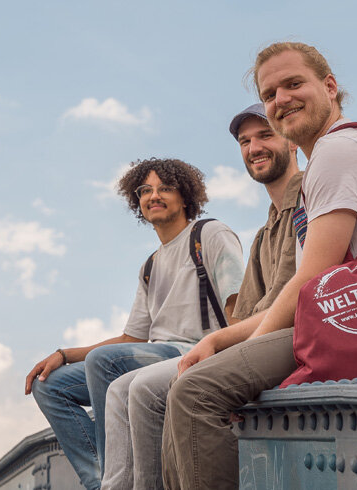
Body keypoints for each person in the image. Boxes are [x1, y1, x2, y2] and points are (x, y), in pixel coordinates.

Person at [160, 42, 357, 490]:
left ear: (329, 87)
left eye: (294, 84)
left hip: (356, 327)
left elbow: (312, 281)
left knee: (194, 392)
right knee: (190, 382)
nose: (281, 100)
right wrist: (219, 337)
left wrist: (232, 345)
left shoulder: (338, 150)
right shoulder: (342, 151)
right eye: (270, 93)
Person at [100, 103, 303, 490]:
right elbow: (246, 310)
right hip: (244, 339)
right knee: (114, 384)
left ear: (292, 141)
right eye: (245, 141)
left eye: (265, 135)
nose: (254, 147)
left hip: (276, 338)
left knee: (151, 386)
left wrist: (226, 349)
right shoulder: (265, 232)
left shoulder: (296, 207)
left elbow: (271, 302)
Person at [24, 157, 244, 490]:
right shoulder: (150, 265)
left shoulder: (209, 235)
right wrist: (65, 354)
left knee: (103, 363)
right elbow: (133, 337)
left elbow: (238, 306)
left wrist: (232, 378)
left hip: (196, 352)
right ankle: (101, 480)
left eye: (165, 188)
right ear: (136, 200)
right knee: (49, 385)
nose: (154, 196)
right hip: (153, 356)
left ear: (185, 197)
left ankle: (118, 481)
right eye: (146, 190)